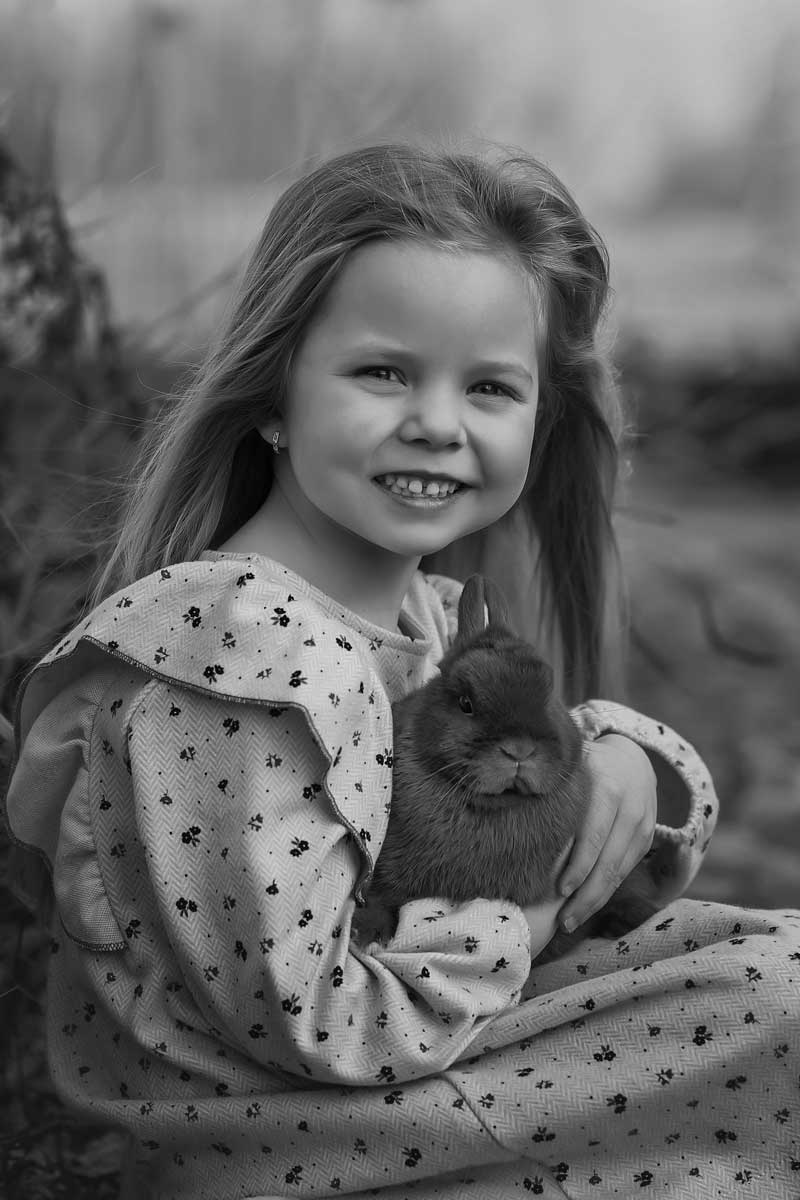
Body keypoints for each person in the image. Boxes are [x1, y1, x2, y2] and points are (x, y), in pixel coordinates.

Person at [3, 142, 799, 1200]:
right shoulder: (239, 662)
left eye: (488, 386)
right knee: (774, 1006)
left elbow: (472, 853)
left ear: (536, 420)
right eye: (383, 370)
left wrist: (614, 767)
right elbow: (321, 1022)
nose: (434, 420)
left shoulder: (422, 614)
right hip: (292, 1134)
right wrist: (533, 922)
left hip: (418, 1059)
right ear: (271, 393)